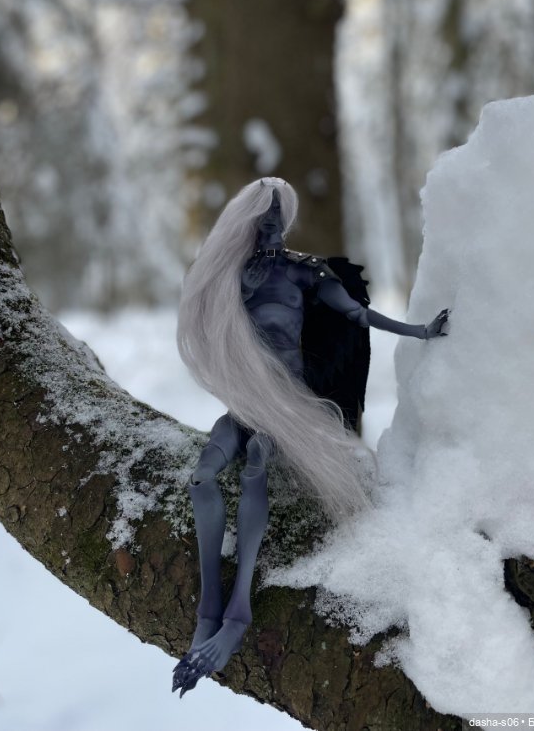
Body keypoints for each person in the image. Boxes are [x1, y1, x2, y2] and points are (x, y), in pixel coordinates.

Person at [172, 177, 448, 695]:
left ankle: (237, 616)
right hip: (248, 403)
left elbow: (357, 314)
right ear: (249, 222)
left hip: (290, 407)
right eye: (264, 219)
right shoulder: (232, 276)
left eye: (280, 218)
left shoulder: (305, 272)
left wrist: (420, 332)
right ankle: (207, 611)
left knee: (256, 461)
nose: (273, 226)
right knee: (204, 476)